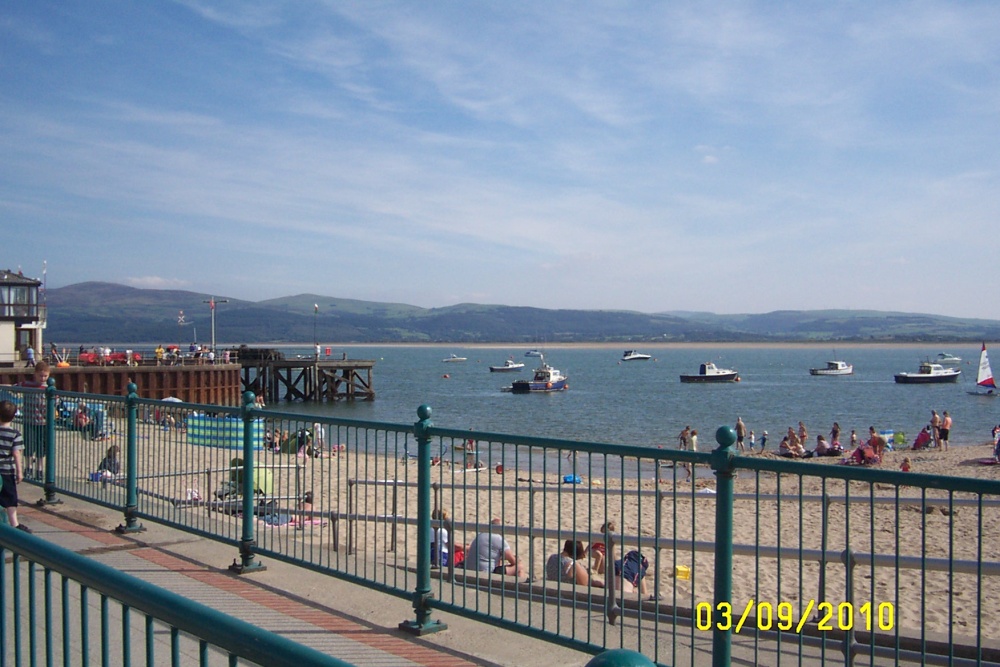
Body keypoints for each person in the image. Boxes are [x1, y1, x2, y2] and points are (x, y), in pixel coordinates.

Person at [15, 361, 50, 480]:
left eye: (45, 376)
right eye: (40, 376)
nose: (43, 378)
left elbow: (55, 401)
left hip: (43, 423)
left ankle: (39, 469)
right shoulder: (27, 385)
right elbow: (14, 388)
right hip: (29, 421)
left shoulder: (48, 388)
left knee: (41, 448)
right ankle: (28, 468)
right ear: (35, 374)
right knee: (28, 446)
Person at [0, 400, 29, 532]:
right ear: (13, 416)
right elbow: (16, 454)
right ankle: (14, 524)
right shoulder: (15, 434)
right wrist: (19, 472)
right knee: (10, 498)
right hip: (7, 471)